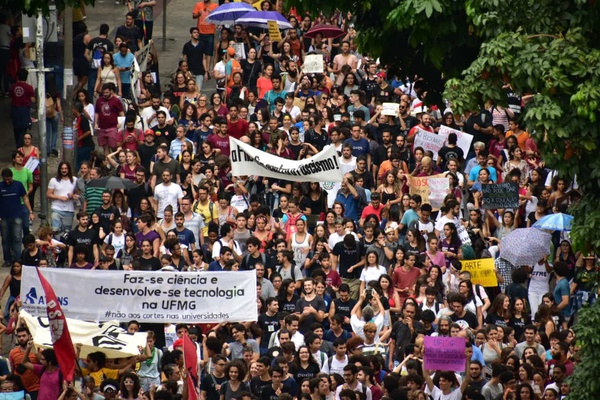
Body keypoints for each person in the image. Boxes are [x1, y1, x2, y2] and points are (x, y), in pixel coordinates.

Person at [0, 168, 34, 264]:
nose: (7, 181)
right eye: (5, 179)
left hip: (17, 215)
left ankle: (17, 259)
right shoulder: (0, 186)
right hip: (4, 217)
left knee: (17, 237)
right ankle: (7, 259)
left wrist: (30, 211)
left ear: (12, 177)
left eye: (9, 179)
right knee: (5, 238)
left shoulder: (18, 185)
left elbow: (25, 198)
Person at [9, 69, 35, 148]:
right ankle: (21, 147)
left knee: (16, 129)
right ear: (26, 77)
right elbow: (33, 100)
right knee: (23, 129)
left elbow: (11, 98)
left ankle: (18, 146)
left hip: (15, 110)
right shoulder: (29, 87)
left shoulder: (13, 87)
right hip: (24, 110)